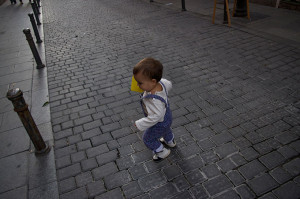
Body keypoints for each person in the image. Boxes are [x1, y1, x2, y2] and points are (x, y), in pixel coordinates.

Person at [133, 57, 176, 162]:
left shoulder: (154, 99)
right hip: (167, 116)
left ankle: (161, 151)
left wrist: (140, 123)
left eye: (140, 83)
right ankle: (170, 141)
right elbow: (168, 84)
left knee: (147, 139)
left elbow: (155, 117)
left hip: (159, 122)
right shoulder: (161, 83)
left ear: (153, 81)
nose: (138, 85)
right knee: (166, 129)